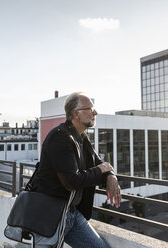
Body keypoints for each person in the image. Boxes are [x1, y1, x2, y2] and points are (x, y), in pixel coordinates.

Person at [32, 92, 121, 248]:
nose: (95, 113)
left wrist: (110, 175)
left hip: (71, 213)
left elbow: (98, 163)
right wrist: (102, 169)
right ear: (76, 114)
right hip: (51, 214)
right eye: (90, 109)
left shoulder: (81, 137)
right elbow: (72, 181)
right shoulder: (59, 137)